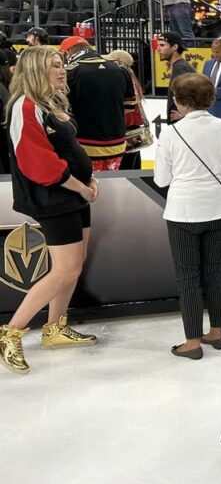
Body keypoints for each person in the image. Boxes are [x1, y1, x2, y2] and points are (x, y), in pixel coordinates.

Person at [0, 47, 99, 376]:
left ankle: (55, 328)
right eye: (54, 66)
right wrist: (80, 186)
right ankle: (11, 332)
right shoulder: (25, 105)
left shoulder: (49, 102)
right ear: (36, 69)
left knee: (74, 264)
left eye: (61, 65)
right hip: (54, 197)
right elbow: (37, 161)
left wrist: (90, 178)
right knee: (65, 269)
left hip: (74, 194)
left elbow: (71, 149)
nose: (62, 71)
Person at [153, 73, 221, 359]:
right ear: (210, 97)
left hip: (183, 212)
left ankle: (192, 342)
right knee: (213, 271)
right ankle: (217, 332)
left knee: (188, 277)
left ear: (179, 101)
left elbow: (161, 179)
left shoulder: (171, 133)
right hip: (218, 208)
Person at [62, 36, 134, 172]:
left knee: (89, 187)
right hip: (117, 143)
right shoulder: (120, 70)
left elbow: (62, 110)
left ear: (66, 53)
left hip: (85, 143)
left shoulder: (70, 72)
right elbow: (129, 108)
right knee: (111, 187)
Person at [106, 49, 150, 171]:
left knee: (125, 169)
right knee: (134, 167)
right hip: (134, 131)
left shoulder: (122, 81)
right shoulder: (133, 80)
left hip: (125, 132)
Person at [157, 31, 193, 122]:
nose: (158, 49)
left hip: (182, 124)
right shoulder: (180, 66)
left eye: (162, 45)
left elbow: (193, 94)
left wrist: (186, 114)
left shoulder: (180, 68)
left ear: (175, 47)